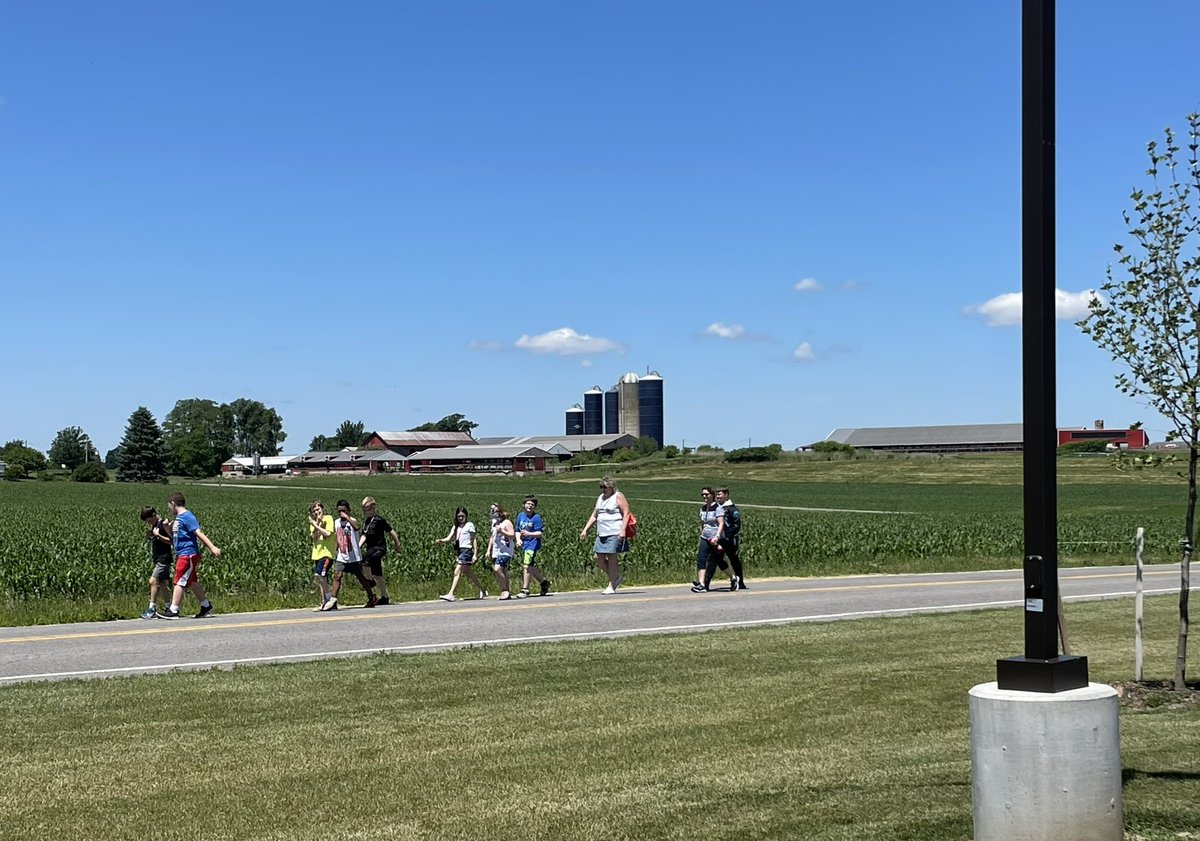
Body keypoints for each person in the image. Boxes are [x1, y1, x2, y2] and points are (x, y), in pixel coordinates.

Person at [160, 492, 220, 619]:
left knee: (179, 580)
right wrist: (166, 528)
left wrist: (212, 547)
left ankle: (174, 610)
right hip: (181, 553)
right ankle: (206, 606)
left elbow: (198, 533)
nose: (169, 509)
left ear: (173, 503)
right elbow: (175, 537)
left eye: (169, 506)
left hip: (188, 554)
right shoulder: (178, 519)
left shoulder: (188, 516)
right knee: (192, 581)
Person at [323, 498, 377, 611]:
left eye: (344, 510)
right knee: (337, 576)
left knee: (360, 577)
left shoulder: (352, 521)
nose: (341, 513)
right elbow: (337, 537)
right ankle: (333, 599)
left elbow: (357, 527)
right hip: (342, 555)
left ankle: (371, 596)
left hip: (354, 556)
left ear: (348, 510)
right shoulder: (336, 523)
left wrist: (347, 518)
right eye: (339, 511)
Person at [579, 476, 629, 594]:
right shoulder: (601, 498)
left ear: (611, 487)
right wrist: (585, 529)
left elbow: (626, 513)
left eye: (605, 487)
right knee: (597, 557)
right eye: (601, 487)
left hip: (614, 531)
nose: (603, 489)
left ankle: (612, 585)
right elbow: (595, 515)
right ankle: (615, 577)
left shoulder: (618, 496)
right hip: (602, 533)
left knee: (612, 558)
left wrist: (622, 530)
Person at [360, 497, 402, 605]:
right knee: (378, 574)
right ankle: (384, 597)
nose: (366, 512)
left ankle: (370, 582)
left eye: (368, 509)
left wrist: (397, 544)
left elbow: (391, 531)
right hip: (371, 548)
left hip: (379, 548)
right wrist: (358, 546)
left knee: (364, 560)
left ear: (373, 508)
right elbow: (364, 535)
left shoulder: (379, 520)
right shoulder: (367, 521)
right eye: (364, 510)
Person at [435, 507, 484, 602]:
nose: (460, 518)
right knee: (469, 573)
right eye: (459, 516)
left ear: (466, 516)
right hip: (460, 550)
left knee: (457, 571)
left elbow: (474, 540)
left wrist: (475, 554)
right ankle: (482, 589)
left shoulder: (470, 525)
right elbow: (449, 538)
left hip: (467, 550)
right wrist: (441, 541)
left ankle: (451, 594)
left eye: (462, 516)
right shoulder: (456, 527)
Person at [691, 486, 732, 593]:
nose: (704, 496)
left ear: (712, 495)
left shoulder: (718, 508)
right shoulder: (703, 508)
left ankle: (733, 578)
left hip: (715, 538)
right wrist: (701, 534)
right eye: (702, 495)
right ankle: (702, 584)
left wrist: (717, 537)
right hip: (705, 537)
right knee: (701, 559)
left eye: (706, 494)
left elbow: (721, 523)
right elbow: (702, 523)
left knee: (717, 561)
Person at [138, 506, 173, 619]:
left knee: (153, 581)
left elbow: (170, 541)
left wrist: (158, 535)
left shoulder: (163, 524)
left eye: (149, 520)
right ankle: (169, 606)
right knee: (162, 583)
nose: (148, 523)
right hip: (159, 558)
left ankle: (152, 608)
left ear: (153, 515)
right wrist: (152, 535)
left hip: (164, 558)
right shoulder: (155, 525)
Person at [515, 495, 551, 598]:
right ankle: (544, 583)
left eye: (532, 504)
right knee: (531, 566)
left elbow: (540, 533)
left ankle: (525, 589)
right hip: (524, 544)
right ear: (524, 505)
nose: (530, 506)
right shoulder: (520, 516)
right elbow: (517, 530)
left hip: (533, 544)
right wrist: (518, 540)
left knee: (526, 565)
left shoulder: (536, 518)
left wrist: (528, 534)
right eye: (528, 504)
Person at [714, 486, 747, 590]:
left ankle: (740, 581)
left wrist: (728, 535)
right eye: (716, 494)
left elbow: (737, 525)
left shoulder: (732, 509)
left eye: (719, 494)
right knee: (715, 559)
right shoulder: (717, 508)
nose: (717, 496)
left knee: (734, 559)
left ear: (726, 495)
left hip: (730, 539)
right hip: (719, 538)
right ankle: (706, 582)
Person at [307, 501, 336, 611]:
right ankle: (324, 602)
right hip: (317, 554)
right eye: (314, 511)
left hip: (327, 553)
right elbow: (313, 536)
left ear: (322, 509)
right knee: (321, 579)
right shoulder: (314, 523)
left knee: (319, 575)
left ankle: (330, 599)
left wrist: (316, 525)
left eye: (318, 509)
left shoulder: (328, 519)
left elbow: (328, 534)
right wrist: (316, 524)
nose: (316, 512)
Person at [487, 502, 516, 600]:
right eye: (493, 512)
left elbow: (512, 535)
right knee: (503, 570)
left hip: (506, 550)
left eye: (497, 511)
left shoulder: (506, 522)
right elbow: (492, 537)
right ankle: (507, 591)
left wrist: (502, 531)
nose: (495, 514)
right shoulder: (494, 524)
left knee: (497, 568)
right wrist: (488, 550)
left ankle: (504, 590)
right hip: (497, 550)